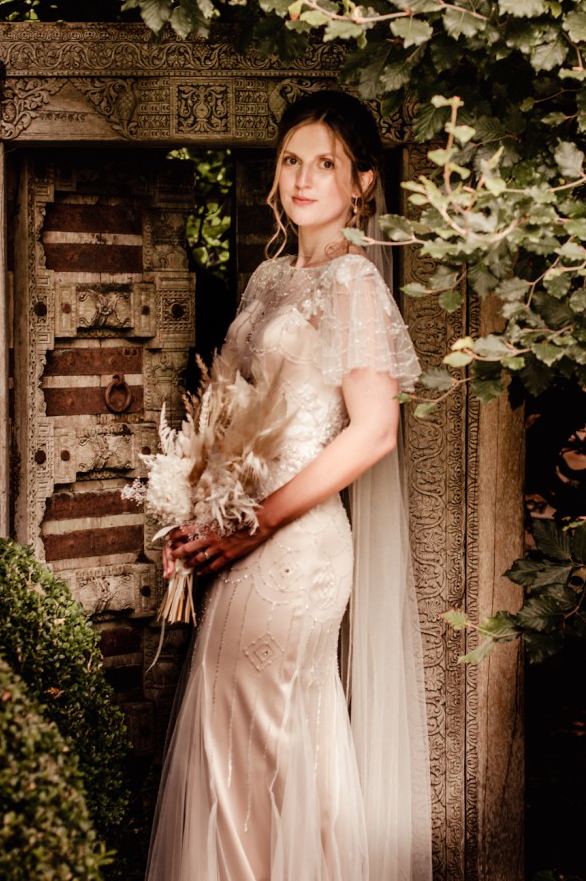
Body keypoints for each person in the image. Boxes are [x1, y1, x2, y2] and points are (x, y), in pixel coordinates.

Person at [145, 90, 432, 881]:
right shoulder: (269, 277)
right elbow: (235, 416)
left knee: (265, 739)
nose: (303, 178)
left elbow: (373, 430)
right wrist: (198, 509)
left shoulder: (354, 284)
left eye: (326, 163)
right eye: (290, 160)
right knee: (233, 739)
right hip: (239, 541)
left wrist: (258, 521)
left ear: (362, 182)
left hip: (295, 546)